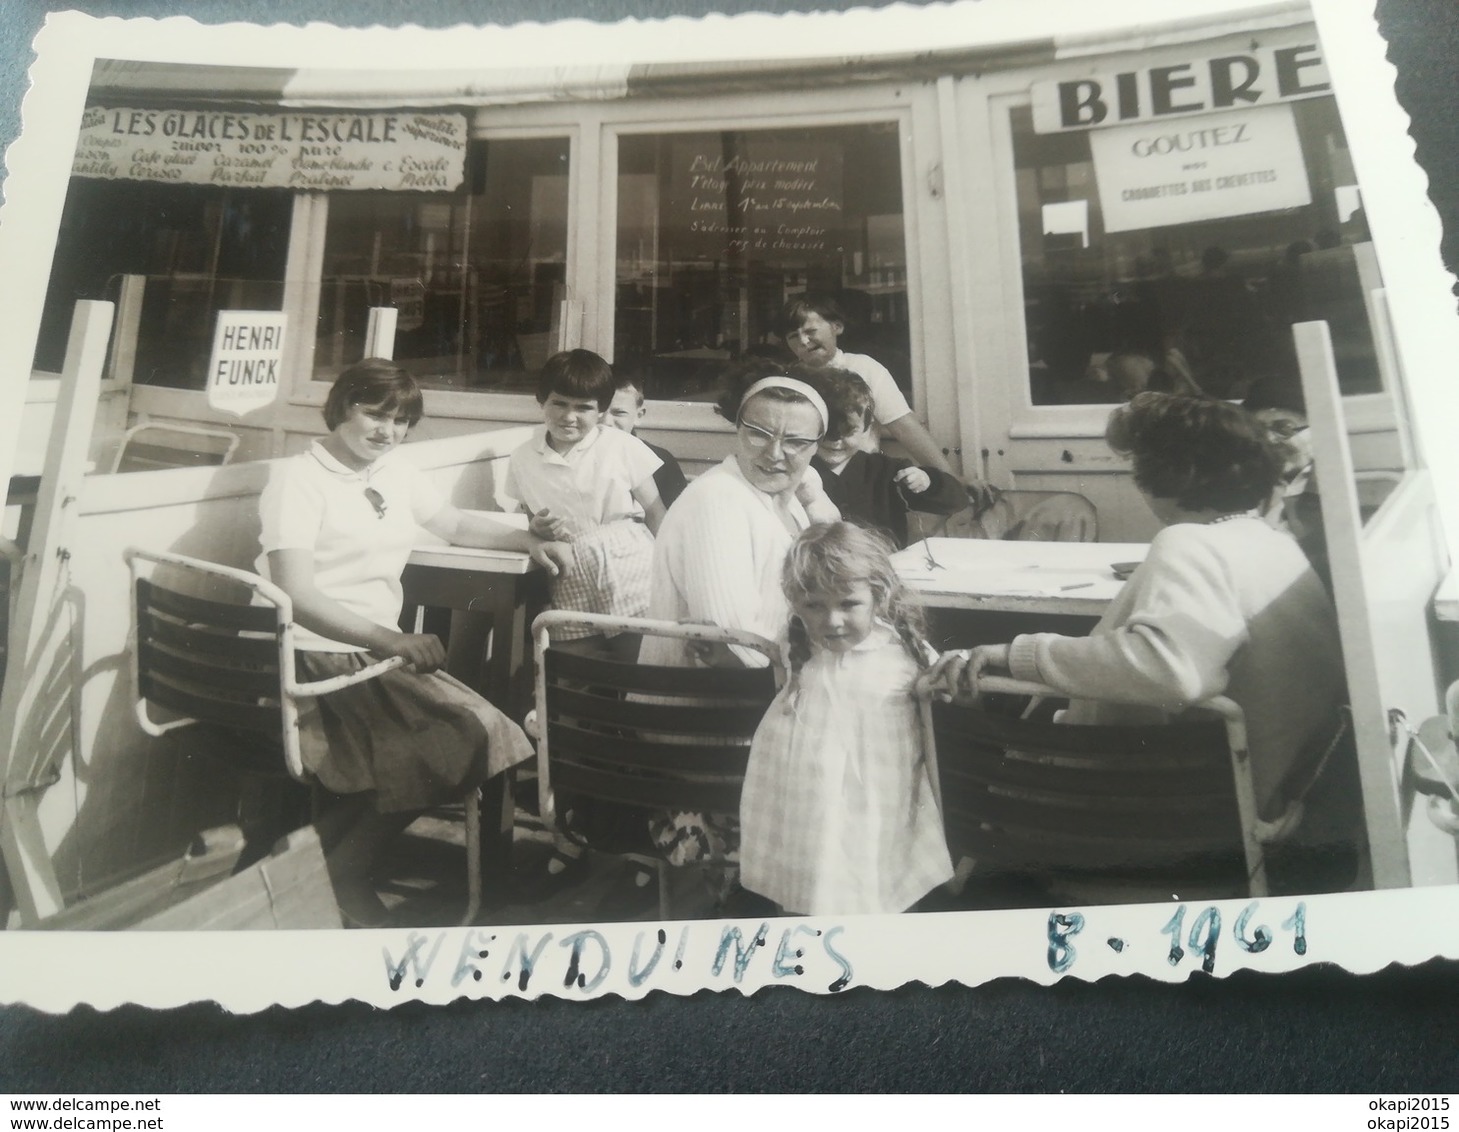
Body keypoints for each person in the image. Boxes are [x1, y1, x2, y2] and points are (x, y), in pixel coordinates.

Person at [923, 392, 1346, 826]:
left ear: (1166, 474)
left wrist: (1017, 654)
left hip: (1174, 810)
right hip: (1266, 790)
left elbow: (1172, 671)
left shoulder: (1190, 542)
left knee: (943, 704)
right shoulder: (1271, 542)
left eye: (1138, 467)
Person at [257, 359, 568, 928]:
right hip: (309, 652)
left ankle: (312, 869)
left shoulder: (393, 471)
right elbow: (296, 593)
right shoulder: (298, 480)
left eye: (402, 421)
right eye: (375, 414)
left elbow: (451, 524)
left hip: (366, 655)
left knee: (465, 732)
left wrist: (523, 538)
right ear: (341, 406)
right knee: (468, 733)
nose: (388, 431)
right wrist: (391, 639)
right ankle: (340, 874)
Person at [636, 362, 839, 868]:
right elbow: (733, 647)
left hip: (740, 710)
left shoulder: (774, 498)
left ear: (816, 449)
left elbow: (839, 565)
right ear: (736, 433)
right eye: (759, 434)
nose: (775, 453)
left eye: (795, 442)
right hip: (706, 728)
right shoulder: (718, 503)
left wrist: (815, 498)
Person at [739, 522, 953, 915]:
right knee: (813, 874)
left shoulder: (903, 652)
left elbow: (945, 703)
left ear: (878, 596)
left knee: (870, 876)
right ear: (795, 602)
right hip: (807, 794)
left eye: (848, 604)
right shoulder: (799, 648)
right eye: (814, 606)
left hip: (877, 796)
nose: (831, 620)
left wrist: (934, 688)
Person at [503, 349, 666, 661]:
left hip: (625, 557)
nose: (569, 416)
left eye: (584, 408)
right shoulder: (523, 456)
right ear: (541, 401)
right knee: (570, 661)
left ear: (601, 410)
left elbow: (656, 511)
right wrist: (537, 528)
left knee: (638, 654)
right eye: (559, 403)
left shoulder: (620, 445)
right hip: (568, 563)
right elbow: (531, 518)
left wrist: (670, 569)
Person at [780, 294, 966, 481]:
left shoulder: (864, 368)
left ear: (837, 327)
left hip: (860, 479)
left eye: (811, 331)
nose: (803, 341)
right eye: (793, 336)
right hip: (803, 478)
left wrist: (951, 479)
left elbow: (904, 426)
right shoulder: (786, 378)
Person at [801, 364, 967, 548]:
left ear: (866, 426)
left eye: (848, 431)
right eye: (828, 431)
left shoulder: (887, 471)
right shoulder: (800, 471)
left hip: (881, 566)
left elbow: (956, 500)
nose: (836, 441)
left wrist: (928, 482)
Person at [604, 374, 689, 509]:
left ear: (639, 415)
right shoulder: (572, 455)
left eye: (619, 413)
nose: (606, 422)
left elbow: (676, 521)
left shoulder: (660, 461)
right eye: (600, 411)